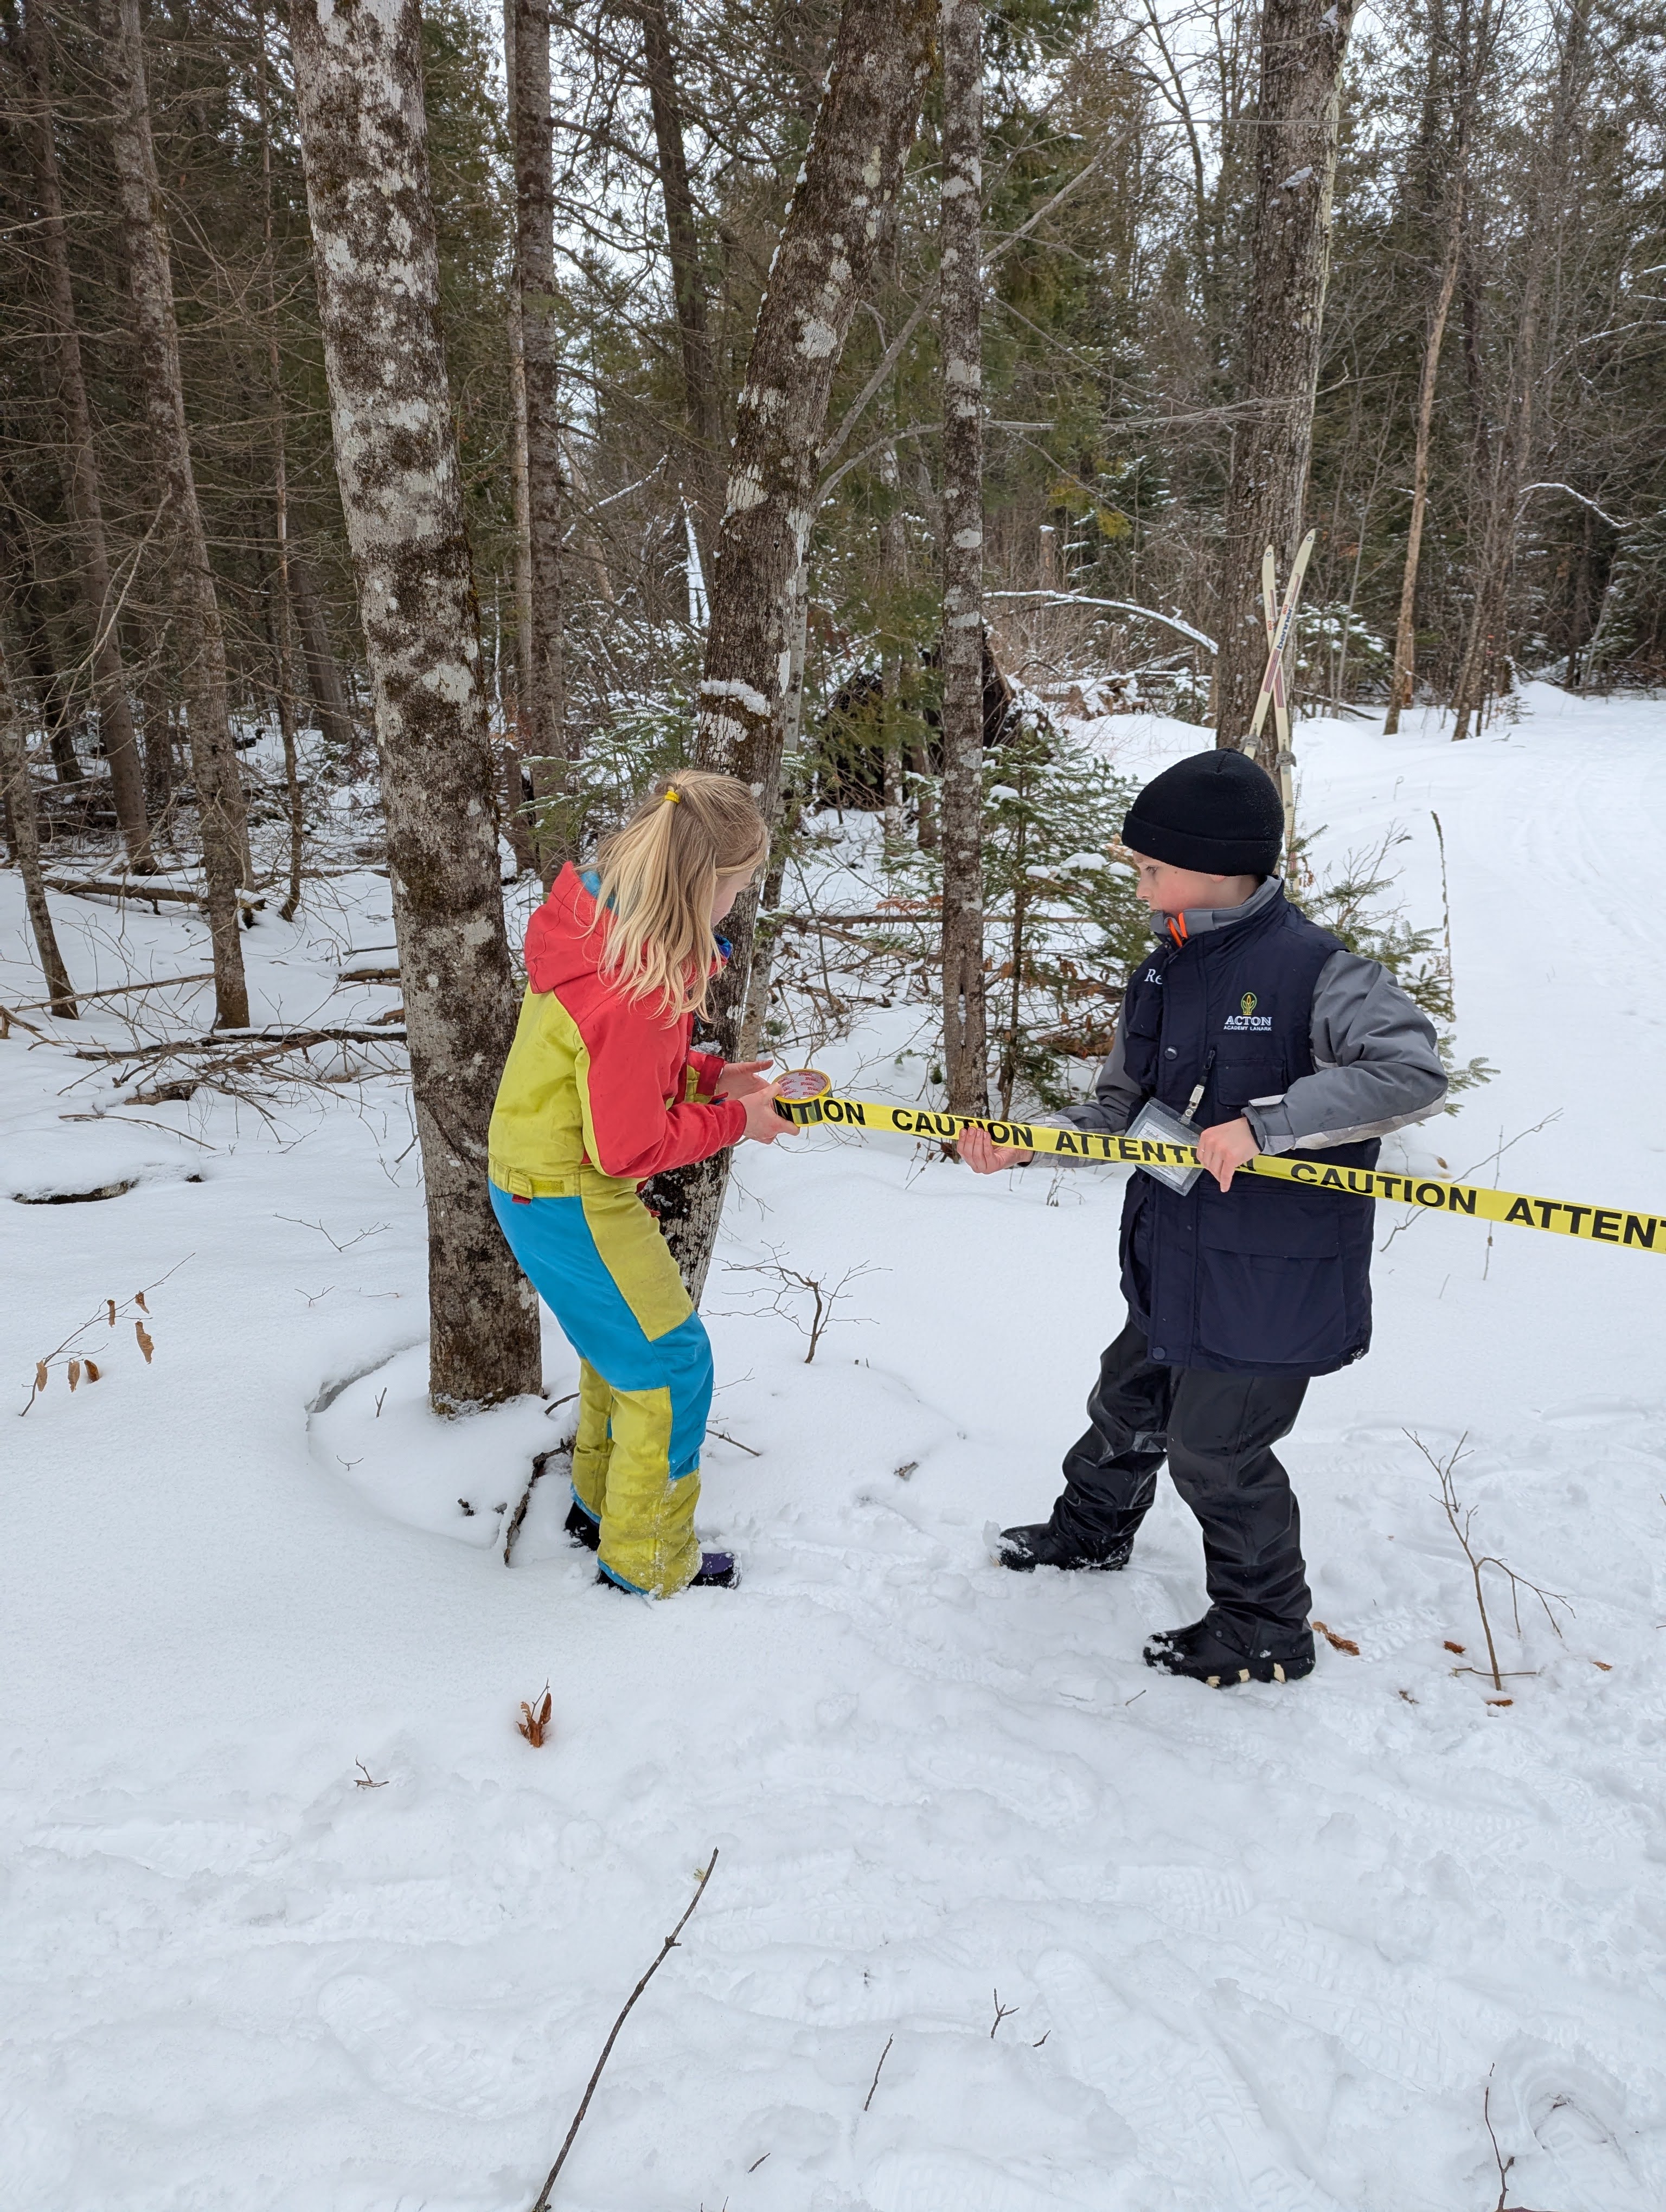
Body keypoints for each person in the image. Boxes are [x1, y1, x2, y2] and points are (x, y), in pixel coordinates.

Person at [959, 749, 1448, 1686]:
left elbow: (1411, 1073)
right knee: (1126, 1398)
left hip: (1272, 1284)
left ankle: (1266, 1628)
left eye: (1149, 866)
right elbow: (1120, 1113)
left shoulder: (1321, 972)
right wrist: (1034, 1140)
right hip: (1174, 1258)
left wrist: (1269, 1126)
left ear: (1222, 866)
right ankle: (1093, 1532)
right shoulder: (1163, 972)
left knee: (1216, 1453)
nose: (1137, 883)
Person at [487, 770, 793, 1598]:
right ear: (702, 885)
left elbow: (614, 1074)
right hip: (569, 1192)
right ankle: (647, 1556)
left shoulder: (602, 930)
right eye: (736, 889)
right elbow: (627, 1146)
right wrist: (743, 1123)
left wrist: (711, 1079)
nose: (736, 906)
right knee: (670, 1365)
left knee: (621, 1350)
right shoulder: (637, 987)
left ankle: (600, 1503)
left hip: (539, 1175)